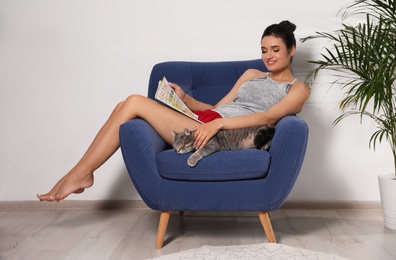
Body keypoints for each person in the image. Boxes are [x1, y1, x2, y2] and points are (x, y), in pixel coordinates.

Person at [37, 20, 311, 202]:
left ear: (291, 50)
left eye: (275, 49)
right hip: (208, 122)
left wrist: (218, 126)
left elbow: (268, 118)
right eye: (264, 50)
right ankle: (81, 172)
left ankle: (80, 173)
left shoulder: (298, 89)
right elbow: (217, 108)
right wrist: (185, 99)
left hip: (228, 135)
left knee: (133, 102)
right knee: (125, 106)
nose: (268, 56)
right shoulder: (252, 73)